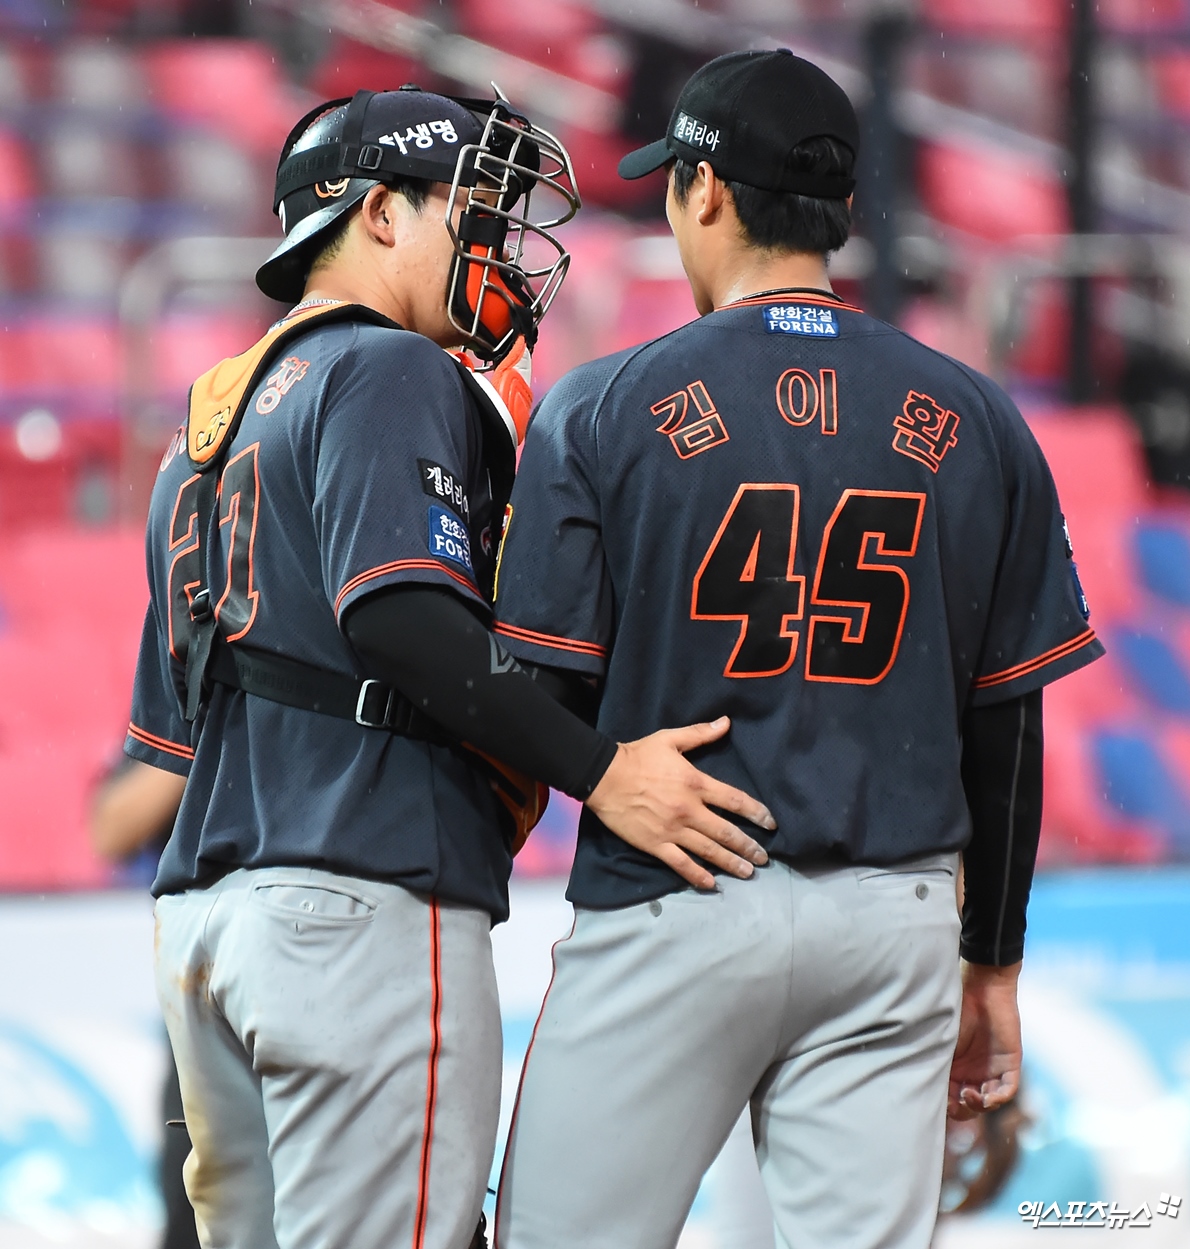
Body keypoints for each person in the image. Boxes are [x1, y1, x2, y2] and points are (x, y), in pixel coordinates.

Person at [124, 86, 772, 1249]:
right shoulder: (389, 369)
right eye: (469, 208)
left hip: (207, 927)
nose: (497, 243)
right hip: (357, 906)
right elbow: (403, 623)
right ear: (379, 214)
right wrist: (601, 770)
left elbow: (171, 729)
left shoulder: (203, 427)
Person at [490, 50, 1103, 1249]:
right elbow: (1006, 721)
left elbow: (535, 687)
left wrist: (598, 775)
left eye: (675, 183)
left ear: (706, 193)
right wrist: (992, 963)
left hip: (681, 893)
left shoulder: (608, 402)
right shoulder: (977, 414)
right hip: (896, 915)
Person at [90, 759, 197, 1249]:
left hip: (331, 983)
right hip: (205, 999)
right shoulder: (193, 695)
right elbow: (111, 828)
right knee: (194, 1199)